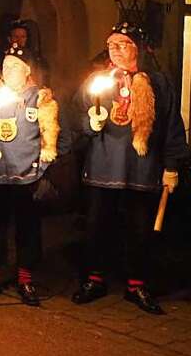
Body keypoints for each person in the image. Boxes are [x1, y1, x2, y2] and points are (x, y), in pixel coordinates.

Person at [71, 22, 187, 315]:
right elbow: (75, 117)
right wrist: (89, 123)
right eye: (112, 45)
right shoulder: (97, 80)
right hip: (103, 167)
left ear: (137, 49)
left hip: (141, 167)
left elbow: (172, 125)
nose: (116, 50)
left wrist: (171, 165)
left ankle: (136, 284)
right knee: (97, 225)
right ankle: (94, 279)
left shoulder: (157, 83)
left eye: (123, 44)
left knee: (139, 229)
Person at [0, 44, 67, 305]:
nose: (8, 70)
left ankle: (25, 279)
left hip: (26, 177)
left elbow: (52, 135)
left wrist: (40, 166)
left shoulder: (39, 98)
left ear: (27, 70)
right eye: (6, 65)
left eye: (15, 66)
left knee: (28, 229)